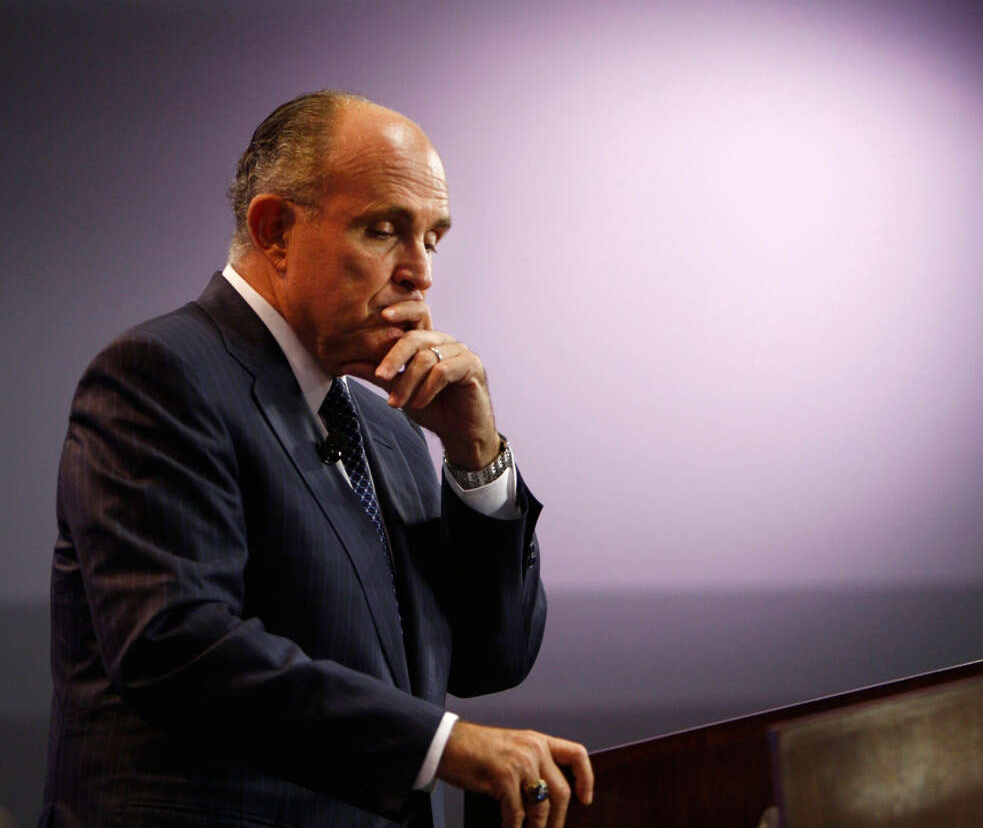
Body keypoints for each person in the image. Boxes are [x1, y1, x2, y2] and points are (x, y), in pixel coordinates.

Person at [40, 90, 593, 828]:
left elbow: (492, 659)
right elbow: (175, 645)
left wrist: (475, 456)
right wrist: (439, 746)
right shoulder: (160, 374)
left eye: (432, 239)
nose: (419, 272)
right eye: (383, 230)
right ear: (274, 230)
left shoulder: (389, 426)